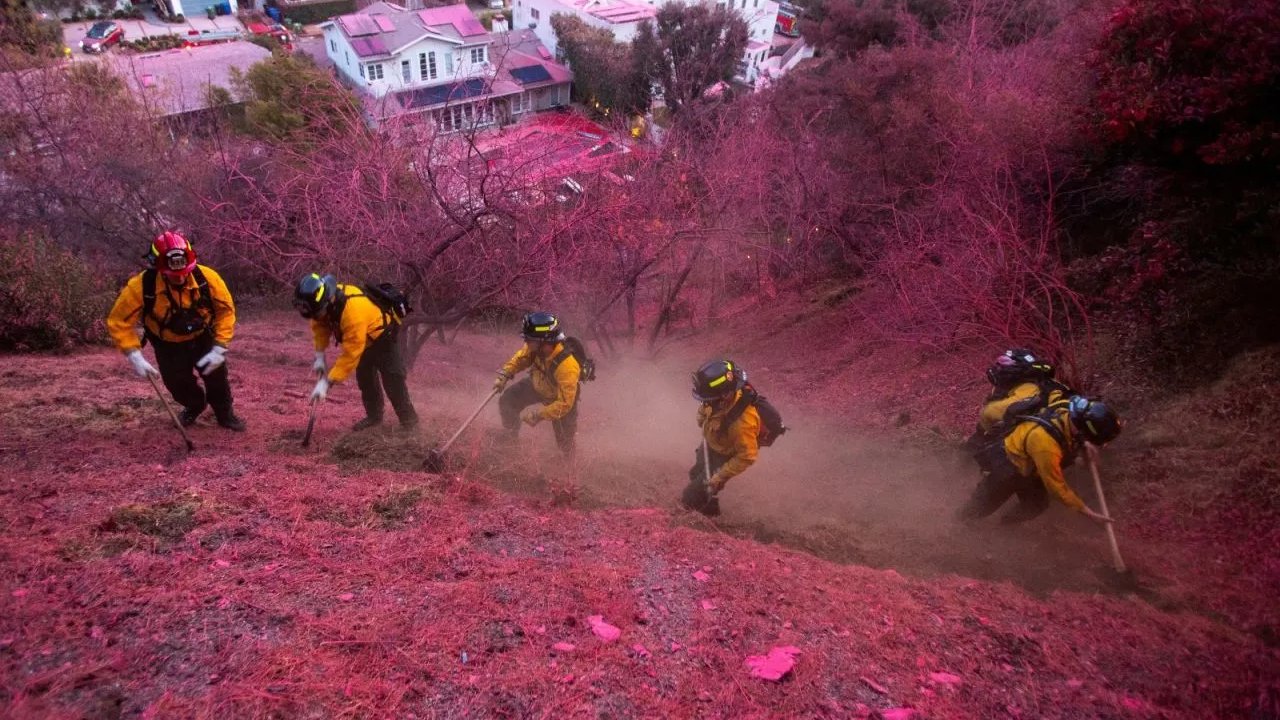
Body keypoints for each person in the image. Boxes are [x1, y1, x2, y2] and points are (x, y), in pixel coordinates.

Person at [106, 231, 245, 431]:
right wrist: (133, 354)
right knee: (177, 385)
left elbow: (226, 311)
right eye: (172, 274)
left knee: (217, 378)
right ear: (159, 267)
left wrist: (220, 346)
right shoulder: (141, 286)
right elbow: (118, 320)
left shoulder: (208, 278)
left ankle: (225, 413)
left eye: (184, 272)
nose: (179, 278)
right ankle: (194, 405)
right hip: (167, 345)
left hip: (203, 338)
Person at [959, 395, 1121, 525]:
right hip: (1007, 467)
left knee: (1036, 504)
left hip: (1031, 467)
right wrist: (1088, 512)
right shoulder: (1046, 445)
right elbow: (1056, 488)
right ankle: (953, 530)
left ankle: (1005, 526)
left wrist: (1085, 443)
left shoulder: (1066, 407)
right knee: (978, 509)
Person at [294, 273, 419, 431]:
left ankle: (410, 424)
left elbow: (350, 355)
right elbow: (319, 326)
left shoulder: (352, 314)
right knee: (366, 382)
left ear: (327, 302)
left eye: (317, 313)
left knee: (393, 382)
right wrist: (319, 356)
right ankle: (374, 418)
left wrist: (327, 383)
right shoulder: (323, 304)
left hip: (383, 339)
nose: (316, 317)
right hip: (363, 342)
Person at [493, 312, 581, 454]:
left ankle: (567, 465)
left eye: (529, 340)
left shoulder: (567, 366)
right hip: (538, 384)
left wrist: (538, 415)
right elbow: (520, 359)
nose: (526, 343)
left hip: (560, 398)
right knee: (508, 400)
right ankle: (510, 441)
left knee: (565, 441)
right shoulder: (535, 347)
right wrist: (505, 374)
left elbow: (565, 404)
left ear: (545, 341)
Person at [681, 359, 760, 517]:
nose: (705, 402)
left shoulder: (742, 423)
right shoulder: (718, 399)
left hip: (723, 456)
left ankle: (705, 520)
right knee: (695, 473)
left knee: (691, 496)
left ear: (725, 395)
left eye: (708, 399)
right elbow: (706, 408)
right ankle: (710, 503)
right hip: (712, 443)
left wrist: (720, 476)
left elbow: (747, 456)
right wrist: (702, 417)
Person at [969, 348, 1072, 448]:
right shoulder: (1043, 383)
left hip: (1051, 438)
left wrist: (984, 429)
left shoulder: (1029, 387)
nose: (998, 368)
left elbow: (991, 412)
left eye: (1004, 362)